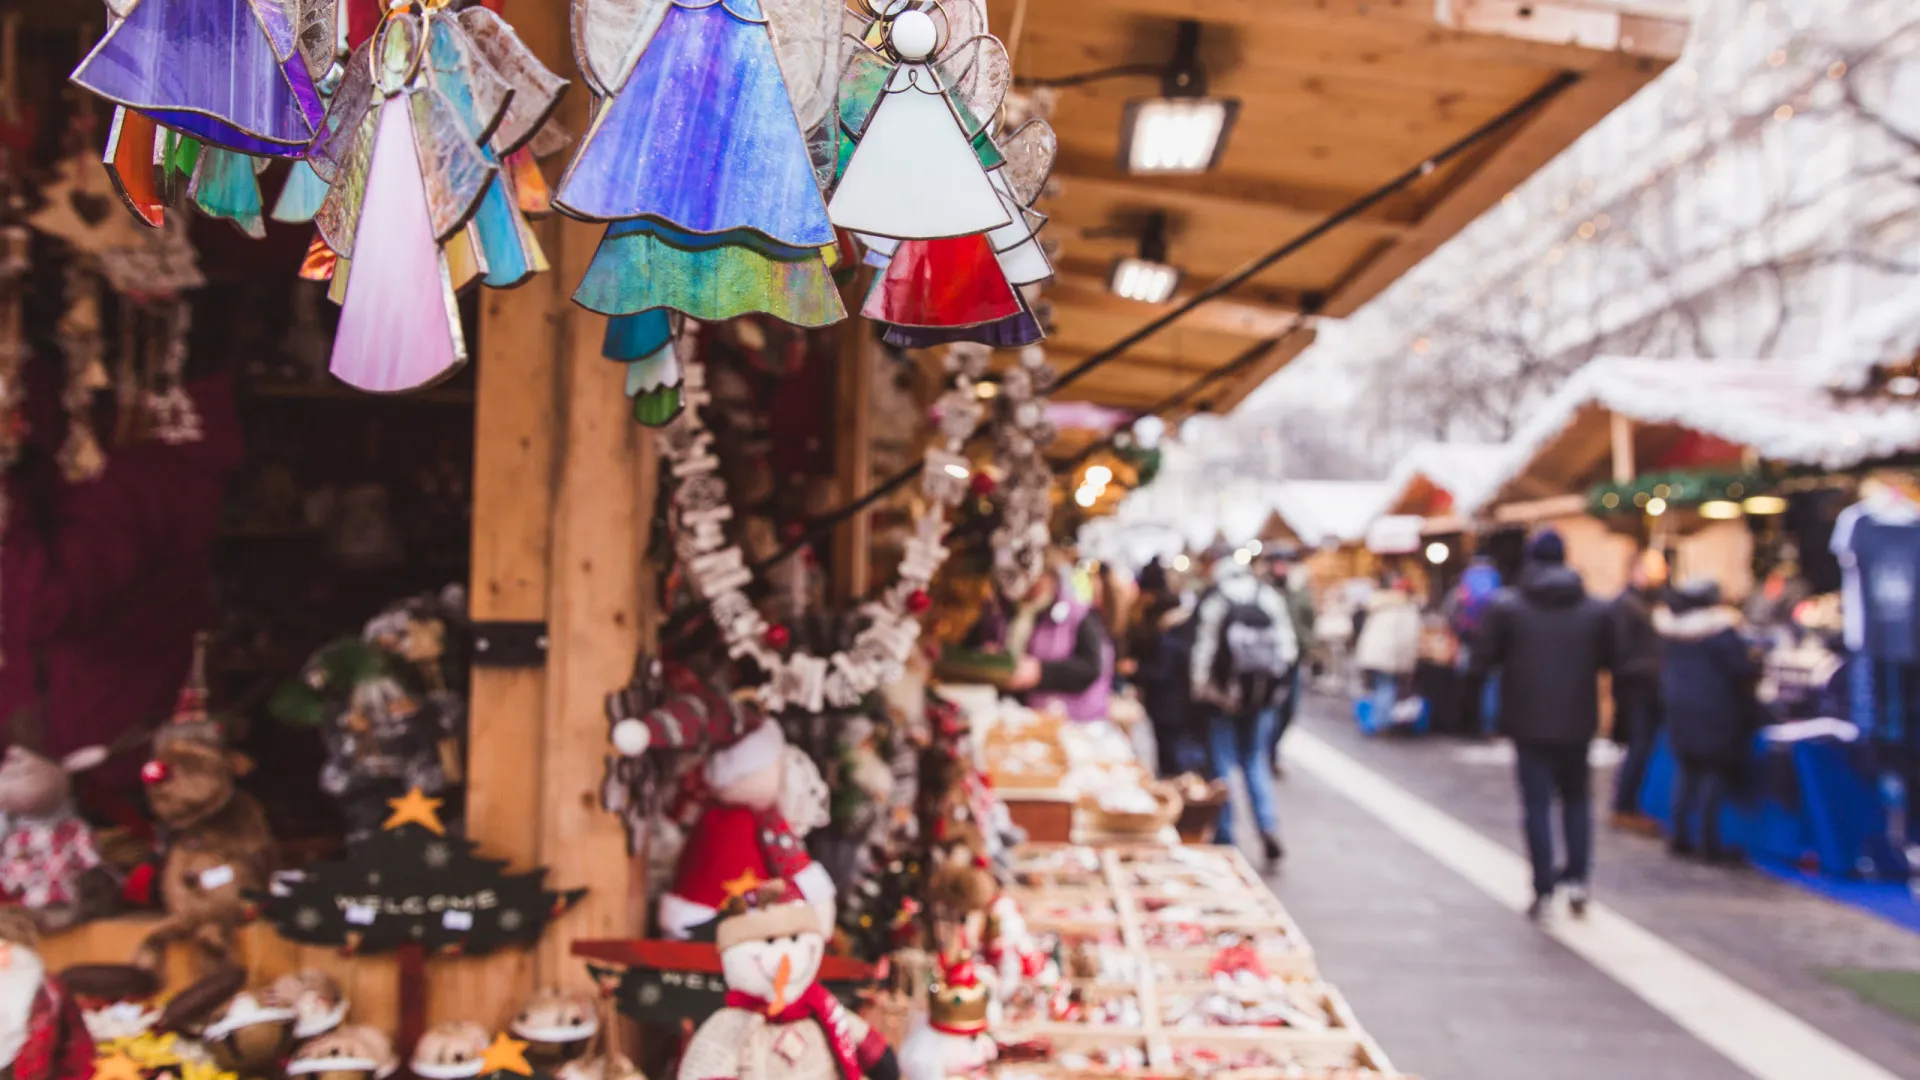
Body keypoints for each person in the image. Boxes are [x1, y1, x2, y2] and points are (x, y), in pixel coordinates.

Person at [0, 361, 243, 810]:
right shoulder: (56, 434)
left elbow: (45, 605)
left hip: (107, 782)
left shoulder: (152, 454)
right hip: (40, 767)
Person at [1472, 529, 1616, 921]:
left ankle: (1543, 887)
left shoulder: (1509, 607)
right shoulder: (1594, 610)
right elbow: (1612, 658)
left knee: (1536, 804)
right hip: (1578, 720)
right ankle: (1578, 879)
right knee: (1577, 800)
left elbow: (1484, 657)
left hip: (1527, 720)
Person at [1190, 544, 1296, 861]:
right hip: (1261, 697)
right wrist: (1275, 689)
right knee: (1255, 759)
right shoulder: (1267, 596)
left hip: (1221, 698)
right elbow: (1287, 650)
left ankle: (1225, 835)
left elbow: (1204, 649)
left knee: (1221, 764)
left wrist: (1202, 690)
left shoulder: (1216, 599)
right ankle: (1266, 825)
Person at [1657, 579, 1760, 863]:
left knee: (1687, 772)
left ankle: (1679, 835)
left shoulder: (1673, 632)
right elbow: (1742, 669)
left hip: (1680, 709)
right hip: (1715, 710)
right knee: (1712, 774)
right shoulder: (1720, 632)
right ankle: (1708, 842)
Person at [966, 555, 1114, 722]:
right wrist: (987, 657)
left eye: (1031, 578)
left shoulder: (1078, 614)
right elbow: (974, 644)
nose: (1025, 585)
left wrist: (1041, 672)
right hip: (1004, 710)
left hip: (1063, 716)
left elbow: (1091, 668)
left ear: (1049, 578)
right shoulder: (999, 608)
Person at [1610, 550, 1669, 832]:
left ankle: (1633, 804)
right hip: (1637, 688)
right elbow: (1621, 651)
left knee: (1643, 747)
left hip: (1649, 686)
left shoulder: (1654, 603)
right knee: (1638, 746)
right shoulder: (1627, 605)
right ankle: (1625, 806)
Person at [1128, 563, 1199, 777]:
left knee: (1174, 759)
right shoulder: (1179, 621)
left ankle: (1181, 790)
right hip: (1174, 703)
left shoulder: (1168, 629)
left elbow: (1162, 670)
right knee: (1172, 754)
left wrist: (1136, 670)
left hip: (1170, 704)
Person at [1265, 557, 1317, 772]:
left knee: (1288, 710)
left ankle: (1271, 750)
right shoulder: (1265, 591)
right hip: (1268, 662)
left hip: (1293, 659)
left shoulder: (1299, 591)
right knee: (1269, 710)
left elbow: (1309, 620)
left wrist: (1310, 648)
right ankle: (1266, 753)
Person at [1352, 575, 1420, 728]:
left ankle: (1373, 718)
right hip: (1389, 654)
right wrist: (1409, 662)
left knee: (1376, 686)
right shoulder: (1405, 609)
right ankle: (1381, 721)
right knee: (1386, 686)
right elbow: (1408, 637)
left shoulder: (1378, 603)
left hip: (1372, 651)